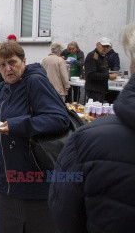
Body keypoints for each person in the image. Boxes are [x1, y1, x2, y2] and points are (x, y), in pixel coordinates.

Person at [0, 41, 70, 233]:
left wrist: (17, 125)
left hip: (34, 180)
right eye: (2, 65)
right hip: (7, 182)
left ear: (24, 61)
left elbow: (59, 119)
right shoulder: (1, 89)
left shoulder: (34, 81)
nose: (8, 68)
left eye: (12, 62)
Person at [49, 23, 135, 233]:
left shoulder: (88, 139)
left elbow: (62, 210)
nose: (105, 50)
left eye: (108, 47)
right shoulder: (87, 139)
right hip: (92, 90)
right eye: (103, 47)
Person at [84, 37, 118, 102]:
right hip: (94, 90)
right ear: (97, 45)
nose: (105, 48)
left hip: (101, 89)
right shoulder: (92, 55)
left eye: (107, 47)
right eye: (103, 46)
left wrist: (110, 75)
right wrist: (108, 76)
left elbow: (102, 71)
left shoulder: (103, 56)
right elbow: (91, 74)